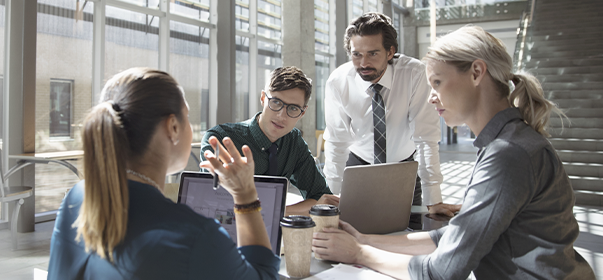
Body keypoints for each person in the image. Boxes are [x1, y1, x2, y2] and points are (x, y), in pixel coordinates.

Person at [312, 26, 596, 279]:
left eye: (437, 82)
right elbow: (452, 235)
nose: (431, 95)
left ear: (476, 73)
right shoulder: (507, 143)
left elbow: (442, 271)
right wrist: (364, 239)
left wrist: (358, 254)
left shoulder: (508, 154)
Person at [47, 68, 280, 279]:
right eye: (187, 117)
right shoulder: (197, 237)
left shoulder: (76, 198)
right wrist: (245, 194)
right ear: (173, 127)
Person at [323, 12, 460, 219]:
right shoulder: (338, 82)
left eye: (372, 53)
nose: (363, 63)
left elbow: (425, 138)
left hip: (404, 169)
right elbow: (337, 141)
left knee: (408, 231)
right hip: (359, 167)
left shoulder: (414, 74)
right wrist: (331, 195)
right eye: (356, 54)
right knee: (354, 234)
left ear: (390, 52)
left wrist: (434, 199)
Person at [201, 66, 339, 216]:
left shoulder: (294, 142)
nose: (281, 115)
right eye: (276, 102)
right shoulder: (220, 138)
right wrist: (282, 213)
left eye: (293, 108)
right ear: (262, 98)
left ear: (303, 112)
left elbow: (321, 198)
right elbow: (215, 204)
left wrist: (278, 213)